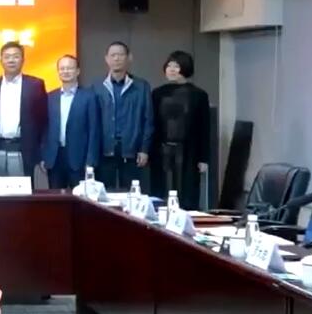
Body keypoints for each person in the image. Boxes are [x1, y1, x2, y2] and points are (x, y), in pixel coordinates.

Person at [151, 51, 210, 209]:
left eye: (176, 66)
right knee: (161, 193)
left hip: (189, 151)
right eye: (169, 66)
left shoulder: (199, 95)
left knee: (187, 194)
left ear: (185, 68)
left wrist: (204, 158)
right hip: (161, 150)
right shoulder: (157, 93)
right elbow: (152, 124)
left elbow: (204, 127)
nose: (171, 69)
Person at [93, 41, 153, 190]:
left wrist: (144, 149)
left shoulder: (141, 86)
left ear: (129, 58)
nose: (116, 58)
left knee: (132, 193)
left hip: (132, 150)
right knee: (104, 194)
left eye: (120, 55)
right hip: (104, 149)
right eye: (113, 55)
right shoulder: (97, 86)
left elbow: (148, 119)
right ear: (106, 59)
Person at [0, 42, 48, 177]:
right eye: (7, 57)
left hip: (24, 147)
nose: (11, 60)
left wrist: (41, 151)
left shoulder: (35, 84)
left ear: (23, 60)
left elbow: (43, 119)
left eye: (15, 56)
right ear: (1, 61)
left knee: (23, 187)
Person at [40, 55, 100, 189]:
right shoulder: (50, 97)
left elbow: (94, 130)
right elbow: (45, 128)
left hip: (79, 158)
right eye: (62, 68)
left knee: (80, 198)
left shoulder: (89, 96)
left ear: (78, 71)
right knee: (55, 198)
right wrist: (44, 156)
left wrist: (90, 161)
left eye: (70, 68)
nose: (65, 71)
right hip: (55, 158)